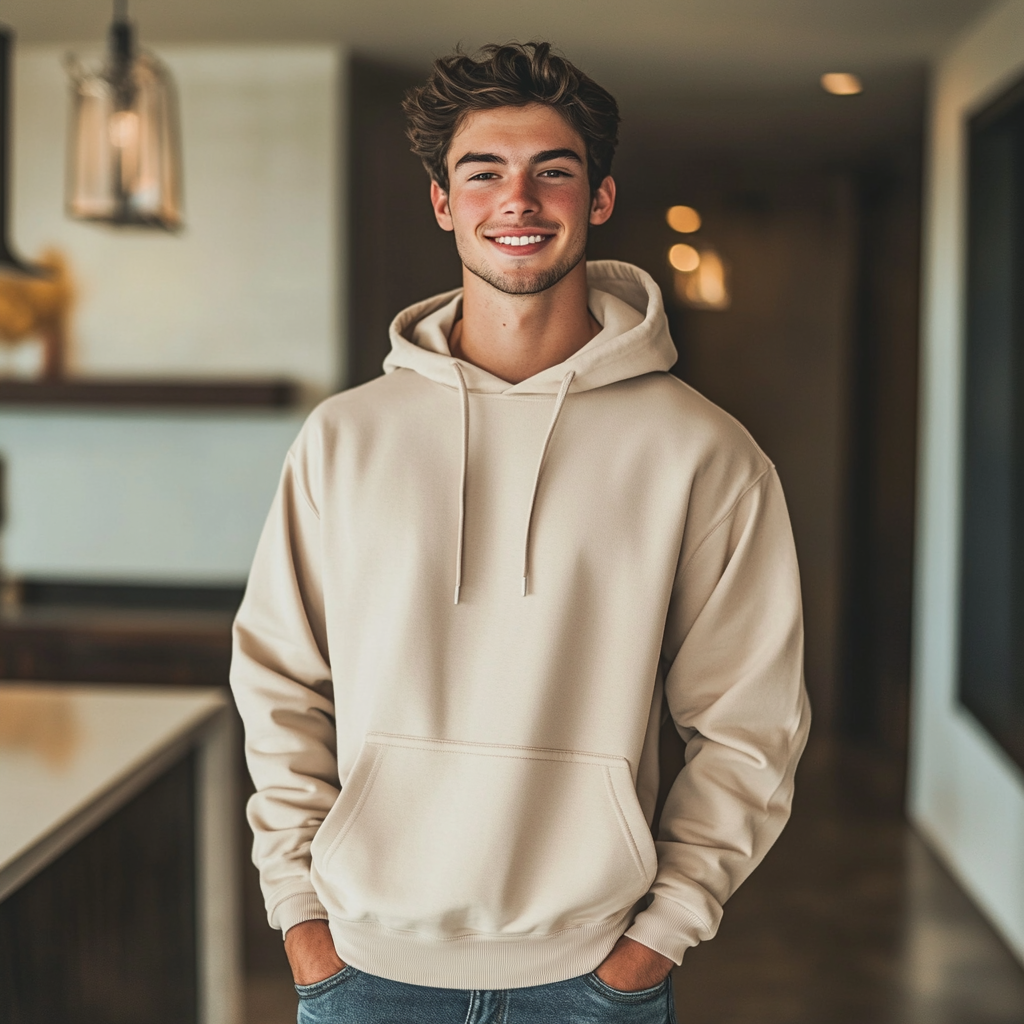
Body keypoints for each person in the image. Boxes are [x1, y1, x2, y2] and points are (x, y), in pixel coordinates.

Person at [231, 41, 811, 1024]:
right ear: (443, 205)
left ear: (599, 198)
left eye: (554, 170)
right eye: (483, 171)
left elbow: (749, 724)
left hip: (593, 976)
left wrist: (656, 935)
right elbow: (278, 678)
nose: (520, 199)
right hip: (361, 964)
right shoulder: (344, 438)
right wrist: (300, 913)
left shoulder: (702, 451)